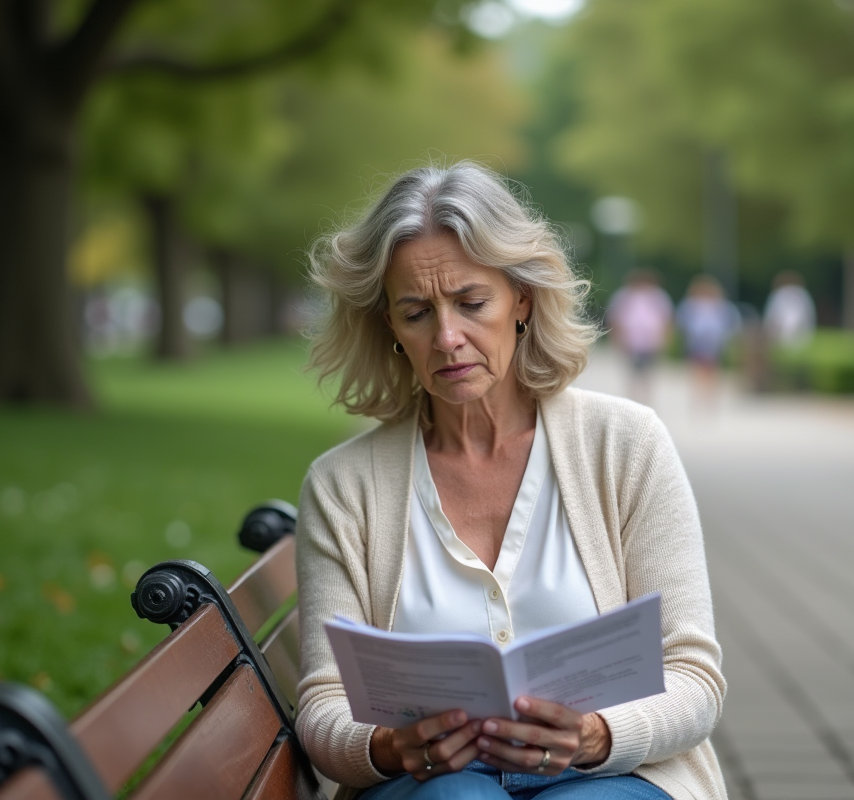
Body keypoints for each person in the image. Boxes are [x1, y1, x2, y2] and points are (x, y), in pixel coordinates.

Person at [296, 161, 727, 800]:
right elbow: (323, 702)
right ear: (389, 325)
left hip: (608, 773)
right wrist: (387, 747)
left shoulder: (627, 445)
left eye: (472, 303)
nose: (448, 338)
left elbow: (694, 675)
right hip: (434, 785)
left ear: (520, 300)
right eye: (416, 312)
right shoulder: (342, 485)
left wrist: (596, 735)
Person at [605, 269, 673, 403]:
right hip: (631, 341)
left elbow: (666, 319)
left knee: (648, 371)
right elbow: (615, 318)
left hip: (651, 342)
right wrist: (616, 337)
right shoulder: (624, 296)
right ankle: (634, 397)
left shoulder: (658, 297)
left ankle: (646, 398)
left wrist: (665, 338)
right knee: (633, 371)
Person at [674, 276, 739, 409]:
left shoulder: (720, 305)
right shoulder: (691, 304)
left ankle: (708, 396)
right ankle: (701, 396)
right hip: (697, 341)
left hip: (714, 341)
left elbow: (730, 323)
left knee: (711, 370)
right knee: (699, 369)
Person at [762, 271, 815, 349]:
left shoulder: (779, 295)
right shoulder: (802, 294)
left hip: (786, 335)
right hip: (795, 336)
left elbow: (772, 315)